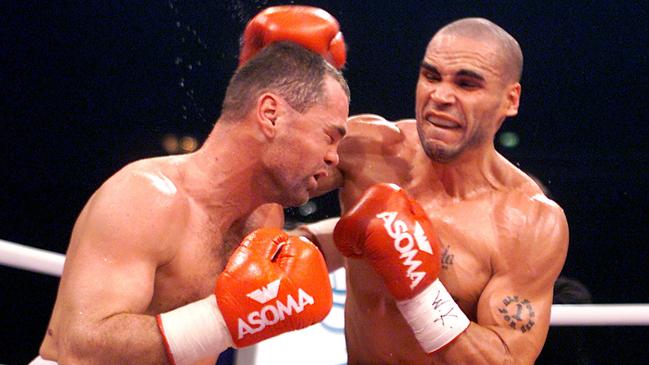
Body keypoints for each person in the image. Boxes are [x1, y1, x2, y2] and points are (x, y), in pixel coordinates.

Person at [33, 8, 351, 364]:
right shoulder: (146, 198)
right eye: (329, 136)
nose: (334, 158)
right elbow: (80, 345)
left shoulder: (264, 218)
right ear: (270, 114)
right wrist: (223, 320)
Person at [285, 17, 569, 364]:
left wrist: (419, 290)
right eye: (431, 76)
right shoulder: (371, 151)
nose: (441, 96)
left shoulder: (528, 221)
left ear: (510, 100)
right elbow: (267, 177)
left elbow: (505, 360)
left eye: (467, 84)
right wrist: (272, 79)